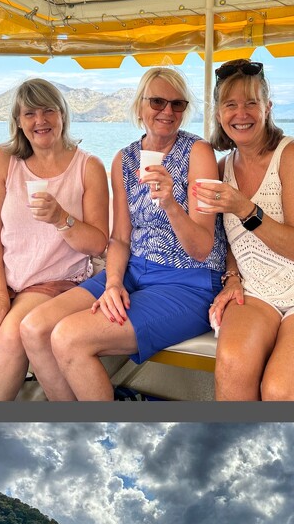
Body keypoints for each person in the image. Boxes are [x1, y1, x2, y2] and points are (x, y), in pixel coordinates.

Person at [20, 67, 229, 400]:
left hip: (188, 281)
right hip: (133, 271)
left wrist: (171, 203)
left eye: (177, 104)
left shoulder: (197, 153)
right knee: (34, 328)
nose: (167, 112)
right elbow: (119, 239)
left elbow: (202, 248)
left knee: (69, 337)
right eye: (158, 101)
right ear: (139, 106)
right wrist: (114, 283)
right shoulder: (125, 159)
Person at [193, 58, 294, 401]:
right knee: (232, 366)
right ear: (219, 114)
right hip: (258, 295)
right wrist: (233, 276)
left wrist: (244, 207)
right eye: (231, 105)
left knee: (280, 390)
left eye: (251, 103)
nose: (241, 113)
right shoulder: (223, 166)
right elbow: (228, 240)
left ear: (267, 108)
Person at [0, 78, 109, 400]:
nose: (40, 121)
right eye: (30, 113)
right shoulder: (4, 158)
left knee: (10, 336)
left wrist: (62, 219)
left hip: (54, 277)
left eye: (48, 111)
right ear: (18, 120)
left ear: (63, 115)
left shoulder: (89, 168)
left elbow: (98, 243)